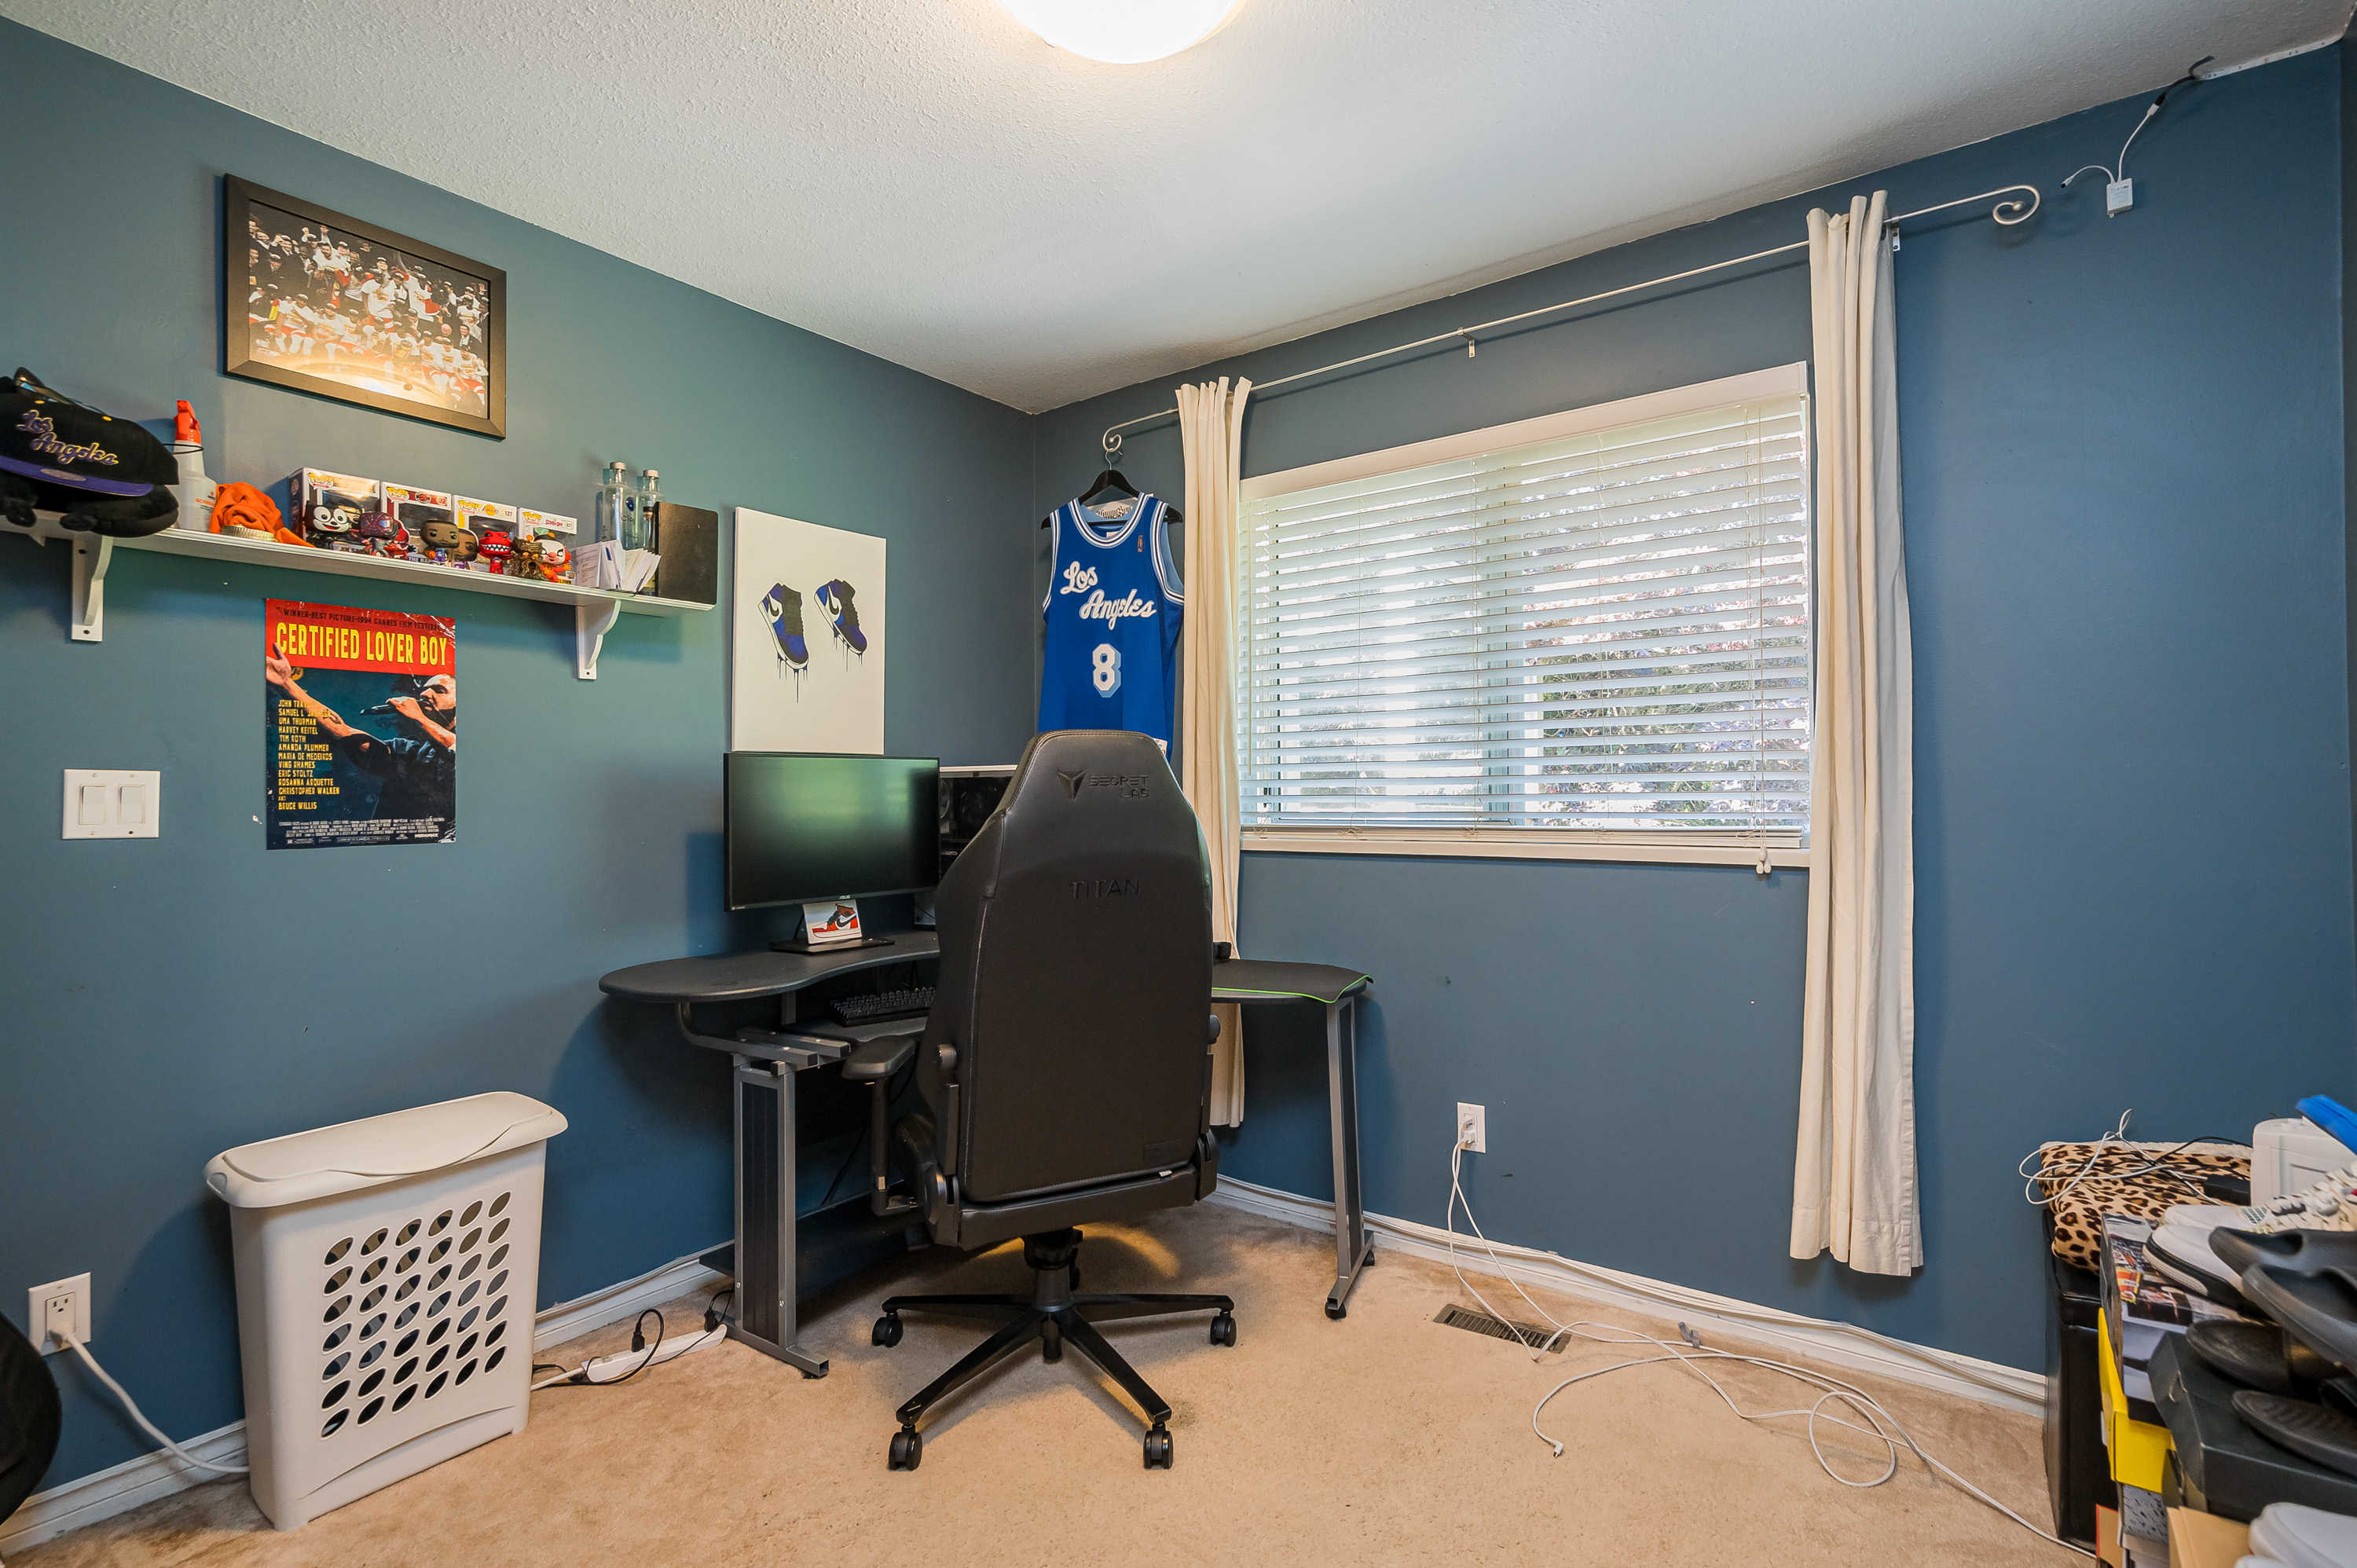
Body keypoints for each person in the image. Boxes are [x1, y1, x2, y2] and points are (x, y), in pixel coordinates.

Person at [265, 653, 456, 838]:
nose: (425, 694)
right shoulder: (414, 752)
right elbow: (342, 731)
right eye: (425, 690)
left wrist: (419, 718)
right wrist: (287, 684)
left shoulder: (470, 741)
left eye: (439, 690)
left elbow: (459, 749)